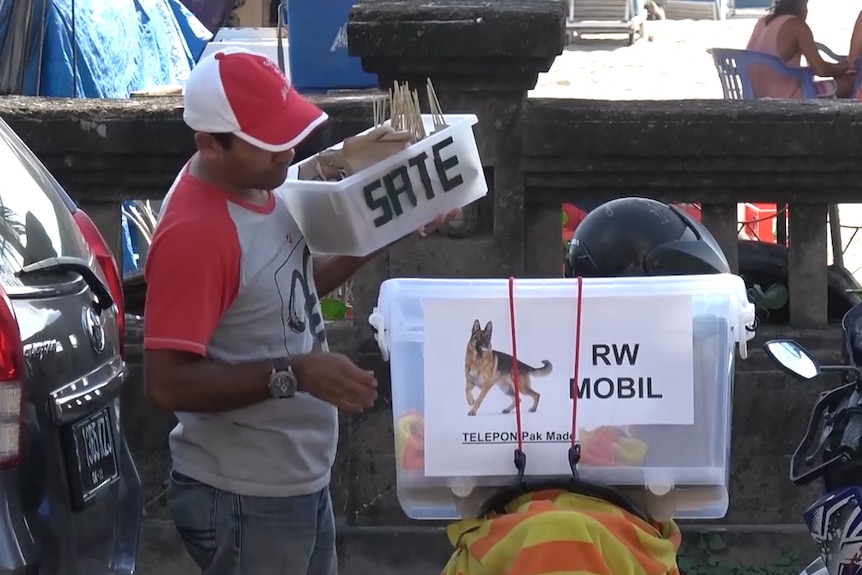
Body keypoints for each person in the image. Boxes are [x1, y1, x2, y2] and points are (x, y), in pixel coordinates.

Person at [143, 46, 458, 575]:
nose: (289, 154)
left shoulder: (257, 186)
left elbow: (286, 286)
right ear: (210, 145)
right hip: (244, 497)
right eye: (270, 144)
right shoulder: (197, 234)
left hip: (295, 482)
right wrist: (298, 374)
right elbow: (167, 385)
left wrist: (396, 224)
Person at [745, 0, 853, 99]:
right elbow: (821, 70)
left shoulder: (762, 22)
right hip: (786, 97)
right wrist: (848, 66)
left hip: (756, 95)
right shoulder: (797, 25)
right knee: (850, 83)